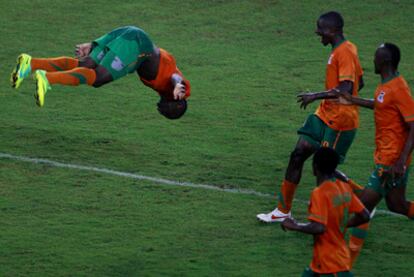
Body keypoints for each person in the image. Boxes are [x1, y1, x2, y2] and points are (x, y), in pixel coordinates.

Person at [257, 11, 364, 222]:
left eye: (321, 29)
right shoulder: (342, 50)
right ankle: (282, 211)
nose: (318, 32)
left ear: (333, 30)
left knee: (325, 168)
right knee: (298, 153)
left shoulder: (345, 52)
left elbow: (346, 87)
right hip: (325, 114)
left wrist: (315, 95)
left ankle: (363, 199)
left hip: (340, 120)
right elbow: (359, 83)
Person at [338, 43, 414, 265]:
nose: (372, 60)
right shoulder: (385, 86)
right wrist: (354, 100)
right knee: (397, 204)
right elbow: (381, 105)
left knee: (362, 207)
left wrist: (400, 161)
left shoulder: (398, 88)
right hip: (388, 157)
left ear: (385, 62)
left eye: (376, 57)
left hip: (390, 161)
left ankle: (341, 249)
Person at [10, 26, 191, 119]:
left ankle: (29, 64)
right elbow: (177, 79)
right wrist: (177, 87)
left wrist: (95, 44)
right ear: (175, 106)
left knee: (86, 64)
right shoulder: (178, 91)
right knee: (98, 78)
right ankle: (46, 79)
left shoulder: (165, 87)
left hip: (131, 33)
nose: (163, 113)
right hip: (136, 46)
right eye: (169, 114)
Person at [281, 147, 370, 277]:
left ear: (315, 167)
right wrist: (341, 224)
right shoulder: (344, 188)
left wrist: (294, 226)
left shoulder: (320, 193)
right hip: (329, 261)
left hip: (330, 266)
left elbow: (319, 227)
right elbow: (365, 215)